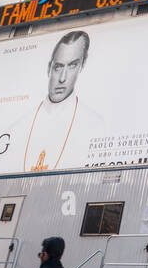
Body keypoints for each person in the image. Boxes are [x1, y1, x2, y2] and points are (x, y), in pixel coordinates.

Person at [16, 31, 106, 173]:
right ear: (49, 68)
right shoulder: (18, 128)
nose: (62, 78)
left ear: (82, 66)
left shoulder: (95, 125)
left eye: (72, 66)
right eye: (58, 67)